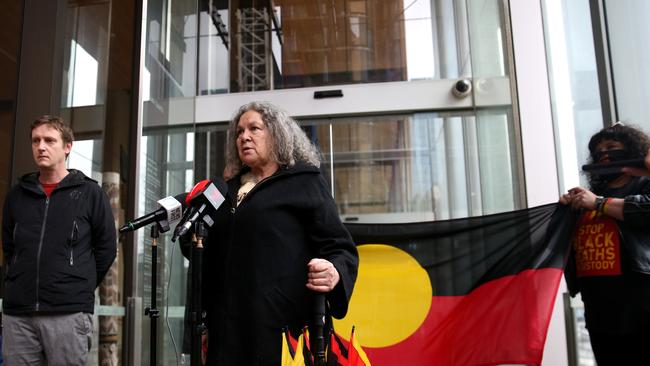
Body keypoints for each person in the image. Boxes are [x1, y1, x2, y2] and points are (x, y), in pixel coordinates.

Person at [198, 101, 359, 365]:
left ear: (277, 135)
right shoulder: (223, 191)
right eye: (239, 132)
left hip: (283, 330)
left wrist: (334, 271)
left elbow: (340, 247)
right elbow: (204, 252)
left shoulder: (304, 182)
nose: (244, 137)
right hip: (227, 332)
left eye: (254, 129)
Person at [2, 115, 117, 365]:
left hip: (68, 313)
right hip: (18, 314)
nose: (41, 146)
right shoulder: (17, 195)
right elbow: (10, 247)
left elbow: (106, 248)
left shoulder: (90, 193)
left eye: (49, 140)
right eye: (36, 140)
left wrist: (78, 282)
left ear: (67, 146)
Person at [560, 123, 650, 365]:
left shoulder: (643, 185)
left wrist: (598, 203)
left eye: (611, 147)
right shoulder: (592, 195)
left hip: (641, 308)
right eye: (598, 150)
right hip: (600, 310)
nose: (604, 154)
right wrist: (566, 210)